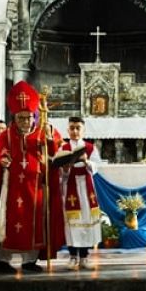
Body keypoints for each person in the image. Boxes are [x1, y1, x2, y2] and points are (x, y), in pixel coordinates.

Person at [0, 80, 65, 273]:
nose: (25, 123)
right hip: (11, 189)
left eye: (28, 118)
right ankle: (2, 260)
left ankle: (30, 260)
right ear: (14, 117)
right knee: (10, 223)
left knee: (34, 224)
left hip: (36, 188)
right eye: (21, 119)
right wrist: (1, 161)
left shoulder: (44, 130)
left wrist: (50, 139)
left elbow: (55, 154)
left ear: (34, 116)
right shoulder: (7, 135)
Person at [58, 116, 102, 270]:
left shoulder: (90, 148)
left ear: (83, 130)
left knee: (87, 221)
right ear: (67, 130)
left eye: (78, 128)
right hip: (70, 188)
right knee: (71, 224)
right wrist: (65, 169)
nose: (75, 131)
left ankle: (84, 256)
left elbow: (96, 168)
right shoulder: (63, 148)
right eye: (72, 128)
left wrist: (86, 161)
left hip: (86, 188)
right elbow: (59, 174)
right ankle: (72, 256)